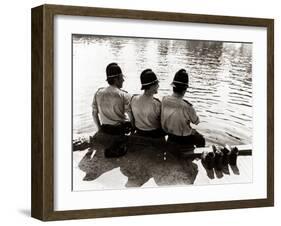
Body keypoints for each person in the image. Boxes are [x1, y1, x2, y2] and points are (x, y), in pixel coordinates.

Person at [91, 62, 132, 157]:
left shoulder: (98, 93)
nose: (123, 80)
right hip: (119, 129)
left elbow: (94, 113)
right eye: (122, 78)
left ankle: (111, 145)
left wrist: (100, 129)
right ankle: (116, 147)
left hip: (105, 128)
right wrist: (133, 129)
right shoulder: (123, 95)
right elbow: (131, 116)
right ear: (116, 79)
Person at [161, 69, 205, 148]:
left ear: (173, 87)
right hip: (184, 138)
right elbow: (196, 122)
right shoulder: (187, 106)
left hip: (170, 135)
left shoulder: (164, 100)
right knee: (201, 139)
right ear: (185, 89)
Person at [130, 69, 165, 139]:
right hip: (154, 137)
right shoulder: (157, 104)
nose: (158, 86)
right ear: (151, 86)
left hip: (139, 134)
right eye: (156, 84)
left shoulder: (133, 99)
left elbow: (132, 121)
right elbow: (163, 125)